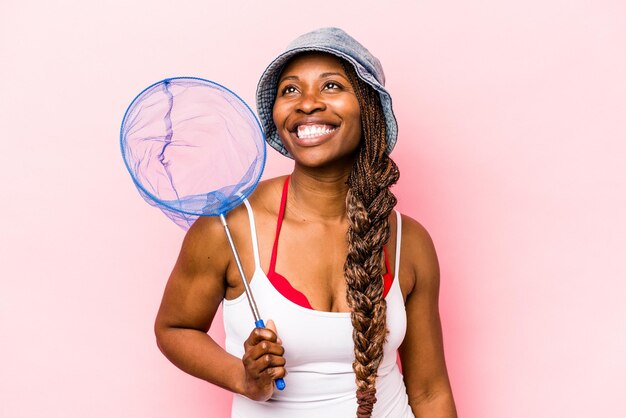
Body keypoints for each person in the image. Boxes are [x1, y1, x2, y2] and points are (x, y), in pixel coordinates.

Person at [154, 27, 457, 418]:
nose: (307, 104)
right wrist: (242, 378)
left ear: (368, 110)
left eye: (331, 86)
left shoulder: (408, 242)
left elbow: (430, 392)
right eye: (290, 91)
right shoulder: (229, 229)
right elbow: (174, 328)